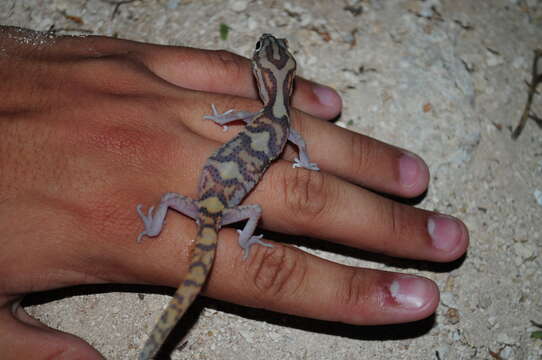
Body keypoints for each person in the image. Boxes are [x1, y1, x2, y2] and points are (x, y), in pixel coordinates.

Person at [0, 26, 468, 359]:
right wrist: (266, 210)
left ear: (265, 77)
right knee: (250, 211)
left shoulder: (262, 118)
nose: (267, 49)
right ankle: (229, 242)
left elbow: (239, 120)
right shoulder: (281, 124)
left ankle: (163, 233)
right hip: (224, 213)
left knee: (166, 203)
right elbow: (298, 143)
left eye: (268, 51)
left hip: (207, 206)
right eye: (267, 49)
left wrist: (219, 121)